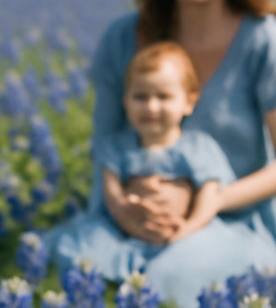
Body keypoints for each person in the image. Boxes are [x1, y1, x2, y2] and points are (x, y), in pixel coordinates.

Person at [46, 0, 276, 308]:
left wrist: (209, 199)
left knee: (173, 277)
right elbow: (107, 144)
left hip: (232, 219)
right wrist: (128, 210)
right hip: (132, 216)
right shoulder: (122, 38)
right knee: (70, 261)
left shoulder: (265, 41)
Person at [93, 41, 237, 275]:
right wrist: (132, 224)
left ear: (189, 102)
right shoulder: (117, 148)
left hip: (188, 230)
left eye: (163, 96)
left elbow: (210, 196)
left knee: (198, 262)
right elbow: (113, 199)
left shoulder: (198, 147)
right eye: (140, 96)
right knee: (88, 252)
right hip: (126, 232)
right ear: (125, 100)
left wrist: (188, 228)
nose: (151, 106)